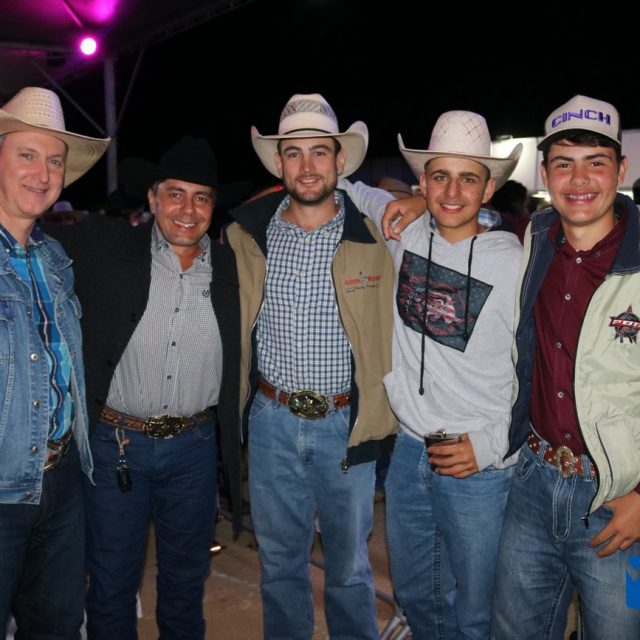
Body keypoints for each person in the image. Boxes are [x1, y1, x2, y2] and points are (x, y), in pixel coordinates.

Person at [44, 135, 243, 639]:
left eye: (201, 197)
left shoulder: (231, 269)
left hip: (195, 451)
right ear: (152, 198)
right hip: (117, 445)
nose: (187, 209)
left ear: (213, 207)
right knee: (110, 585)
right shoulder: (105, 248)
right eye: (175, 194)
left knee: (185, 584)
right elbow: (29, 227)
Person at [214, 93, 397, 639]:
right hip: (271, 422)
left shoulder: (380, 239)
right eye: (294, 153)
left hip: (346, 424)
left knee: (349, 568)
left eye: (320, 152)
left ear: (341, 160)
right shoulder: (245, 237)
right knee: (280, 566)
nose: (308, 165)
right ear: (278, 163)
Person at [340, 110, 523, 639]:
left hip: (479, 463)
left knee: (478, 612)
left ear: (488, 189)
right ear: (422, 181)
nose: (452, 191)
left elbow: (540, 367)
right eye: (440, 176)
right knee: (418, 596)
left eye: (468, 178)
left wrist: (490, 446)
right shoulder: (405, 230)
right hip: (410, 452)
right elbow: (351, 189)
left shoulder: (515, 260)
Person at [491, 95, 640, 639]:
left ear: (621, 169)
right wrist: (415, 202)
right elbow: (458, 212)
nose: (579, 179)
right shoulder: (535, 237)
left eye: (595, 162)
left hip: (620, 501)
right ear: (545, 173)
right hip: (533, 482)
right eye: (563, 163)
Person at [0, 86, 109, 637]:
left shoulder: (55, 258)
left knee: (59, 627)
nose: (42, 173)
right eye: (27, 154)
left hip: (63, 482)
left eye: (55, 161)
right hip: (2, 490)